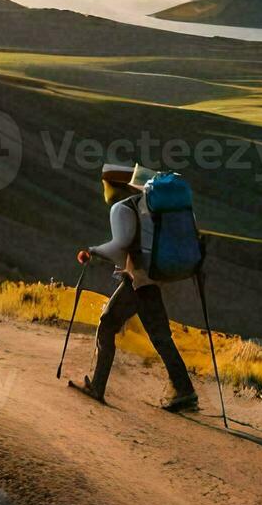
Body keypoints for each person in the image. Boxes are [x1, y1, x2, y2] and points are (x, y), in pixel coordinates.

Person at [70, 164, 198, 411]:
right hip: (153, 276)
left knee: (107, 324)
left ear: (113, 186)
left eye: (105, 184)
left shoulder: (123, 208)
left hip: (137, 279)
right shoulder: (149, 206)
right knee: (160, 336)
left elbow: (120, 245)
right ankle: (184, 391)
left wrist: (92, 252)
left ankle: (97, 386)